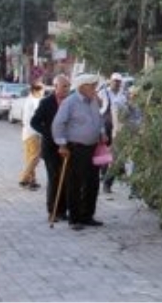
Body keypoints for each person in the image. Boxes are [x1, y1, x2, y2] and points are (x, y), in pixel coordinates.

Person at [52, 74, 107, 231]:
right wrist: (62, 144)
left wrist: (102, 131)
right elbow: (58, 124)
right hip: (77, 148)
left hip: (93, 147)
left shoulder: (93, 101)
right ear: (83, 87)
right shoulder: (70, 102)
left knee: (93, 182)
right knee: (76, 183)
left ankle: (88, 215)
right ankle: (75, 218)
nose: (95, 89)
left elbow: (99, 119)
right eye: (92, 86)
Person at [31, 74, 71, 221]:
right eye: (64, 86)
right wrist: (48, 132)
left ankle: (62, 211)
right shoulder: (46, 103)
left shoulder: (70, 102)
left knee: (65, 178)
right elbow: (34, 122)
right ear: (56, 87)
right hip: (50, 147)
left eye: (68, 86)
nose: (67, 89)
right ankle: (52, 211)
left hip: (67, 145)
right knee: (54, 178)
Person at [98, 73, 126, 194]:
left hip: (117, 126)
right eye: (114, 81)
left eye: (118, 81)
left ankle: (112, 173)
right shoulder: (104, 92)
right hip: (105, 123)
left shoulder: (123, 95)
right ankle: (103, 173)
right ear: (110, 81)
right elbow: (98, 107)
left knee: (114, 151)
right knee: (104, 149)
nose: (116, 83)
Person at [18, 81, 45, 191]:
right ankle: (24, 178)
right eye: (42, 91)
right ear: (35, 90)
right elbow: (37, 120)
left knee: (30, 158)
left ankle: (32, 180)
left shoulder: (29, 100)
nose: (43, 93)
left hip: (27, 132)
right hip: (33, 133)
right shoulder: (34, 102)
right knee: (35, 157)